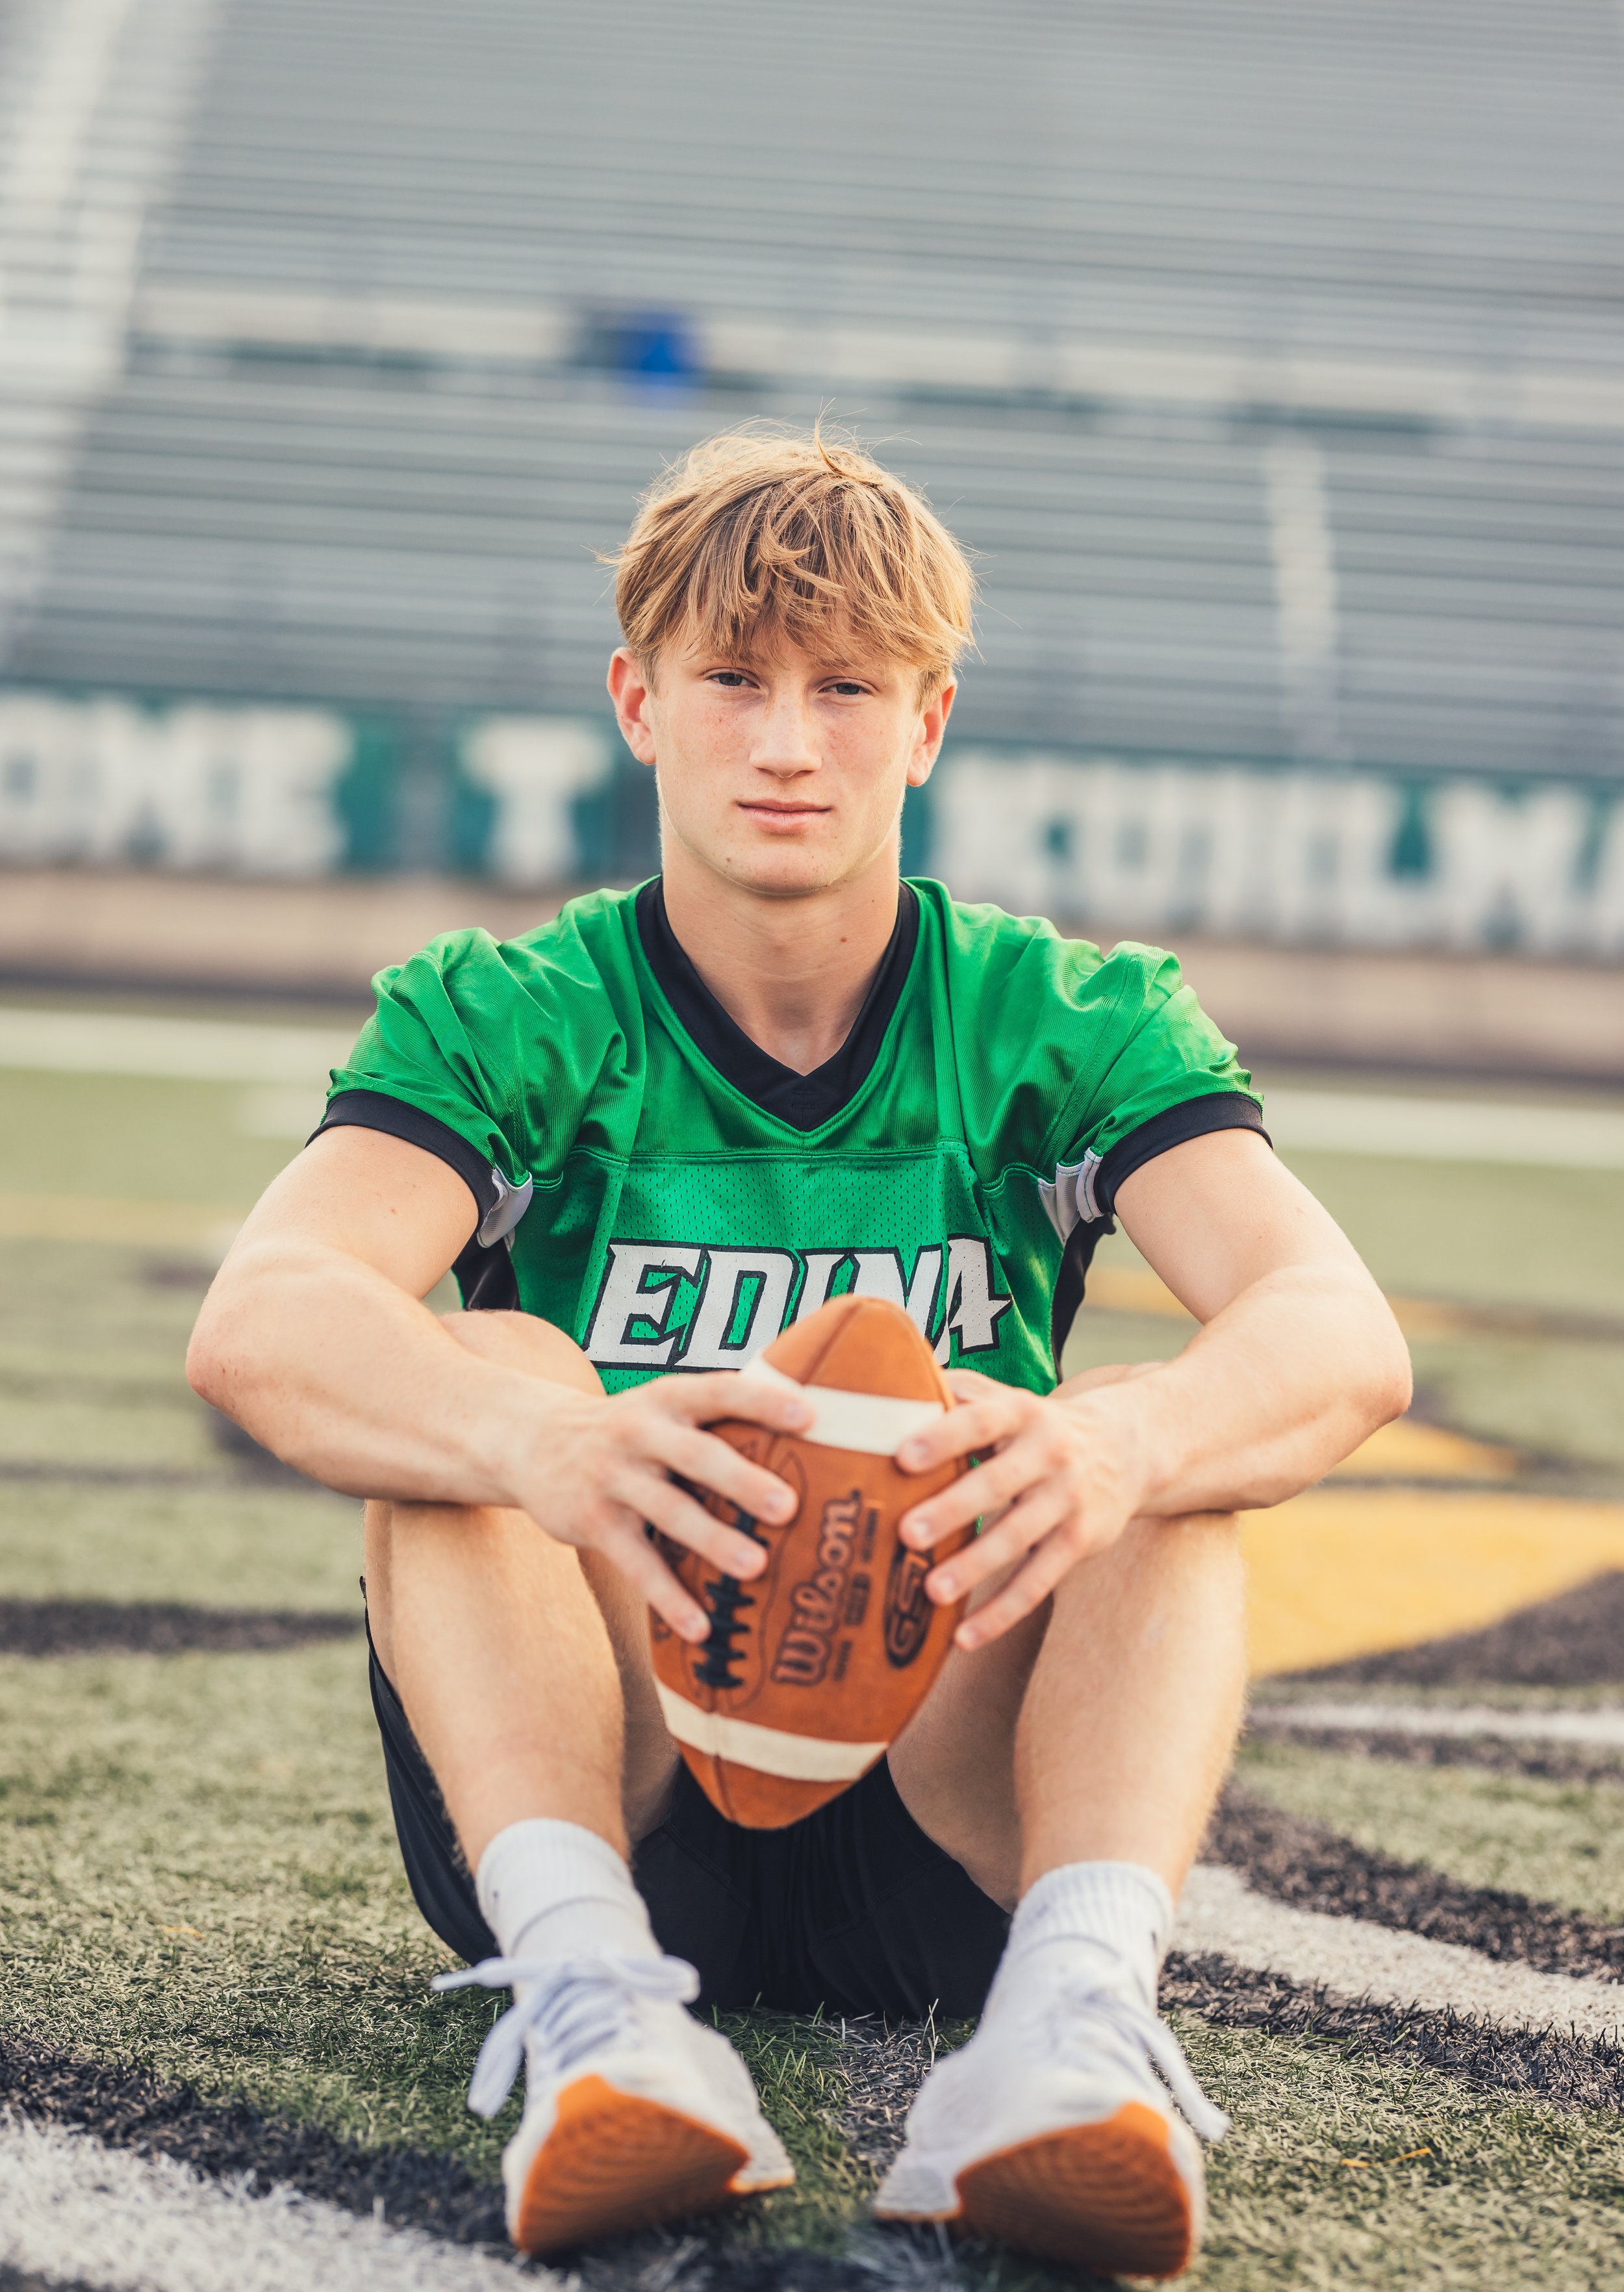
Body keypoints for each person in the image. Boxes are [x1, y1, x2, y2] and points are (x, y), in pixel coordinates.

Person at [188, 428, 1410, 2278]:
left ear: (923, 724)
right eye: (734, 681)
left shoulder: (1060, 1016)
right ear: (637, 702)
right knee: (490, 1373)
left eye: (844, 688)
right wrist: (557, 1451)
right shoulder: (509, 1014)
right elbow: (264, 1321)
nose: (782, 742)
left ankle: (1070, 2027)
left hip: (942, 1806)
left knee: (1155, 1447)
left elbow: (1335, 1331)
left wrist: (1120, 1448)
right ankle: (601, 2008)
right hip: (611, 1783)